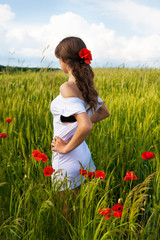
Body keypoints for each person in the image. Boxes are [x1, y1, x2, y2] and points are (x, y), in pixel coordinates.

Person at [50, 36, 110, 193]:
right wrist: (76, 126)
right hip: (84, 156)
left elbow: (86, 125)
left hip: (67, 160)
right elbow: (104, 112)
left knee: (66, 215)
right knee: (82, 210)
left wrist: (65, 148)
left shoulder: (67, 87)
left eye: (59, 59)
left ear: (63, 60)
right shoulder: (85, 86)